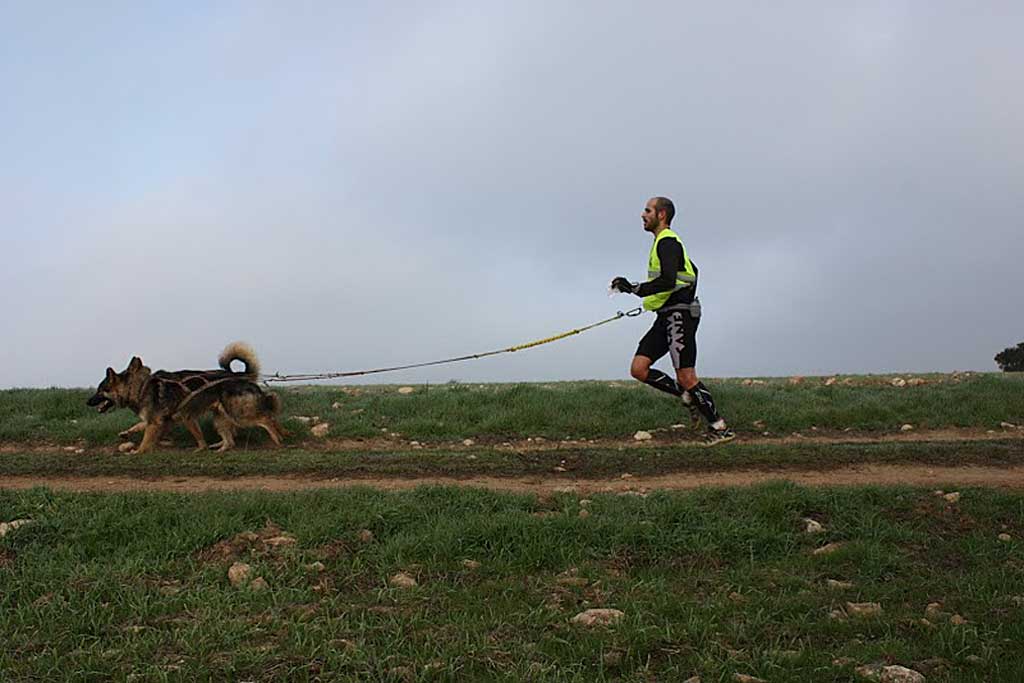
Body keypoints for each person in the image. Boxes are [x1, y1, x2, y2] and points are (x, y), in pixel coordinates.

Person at [610, 196, 735, 446]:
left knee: (687, 375)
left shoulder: (667, 242)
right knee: (639, 369)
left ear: (661, 215)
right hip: (665, 315)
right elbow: (692, 271)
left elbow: (667, 280)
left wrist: (634, 288)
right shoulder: (663, 243)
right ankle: (686, 396)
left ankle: (720, 427)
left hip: (679, 316)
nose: (642, 215)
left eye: (647, 210)